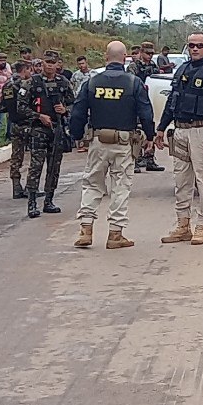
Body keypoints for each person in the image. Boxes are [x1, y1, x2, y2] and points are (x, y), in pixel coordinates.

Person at [69, 41, 156, 249]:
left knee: (92, 183)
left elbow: (78, 112)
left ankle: (86, 229)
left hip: (98, 141)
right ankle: (115, 234)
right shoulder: (134, 83)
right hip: (124, 144)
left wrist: (77, 135)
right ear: (125, 57)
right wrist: (150, 136)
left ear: (105, 57)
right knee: (120, 187)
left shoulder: (92, 82)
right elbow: (146, 112)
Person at [155, 33, 203, 245]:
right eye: (191, 45)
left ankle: (202, 227)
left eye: (199, 45)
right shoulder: (182, 69)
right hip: (180, 131)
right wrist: (161, 128)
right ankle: (183, 226)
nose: (195, 49)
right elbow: (172, 102)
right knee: (181, 180)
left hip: (202, 132)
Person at [17, 50, 74, 218]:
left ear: (58, 64)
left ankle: (49, 201)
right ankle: (32, 203)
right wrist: (38, 116)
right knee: (36, 166)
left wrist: (64, 110)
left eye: (53, 63)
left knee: (54, 167)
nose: (49, 66)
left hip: (57, 129)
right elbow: (20, 107)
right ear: (42, 63)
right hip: (38, 130)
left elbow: (74, 103)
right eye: (47, 62)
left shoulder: (63, 82)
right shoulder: (32, 82)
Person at [127, 41, 165, 172]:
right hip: (136, 103)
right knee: (137, 132)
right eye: (148, 53)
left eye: (152, 54)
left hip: (150, 100)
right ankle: (136, 160)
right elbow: (131, 83)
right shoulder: (134, 66)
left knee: (150, 128)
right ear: (141, 52)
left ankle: (150, 159)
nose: (150, 56)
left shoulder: (153, 66)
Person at [0, 61, 33, 198]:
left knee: (16, 156)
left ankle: (16, 186)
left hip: (14, 124)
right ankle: (31, 187)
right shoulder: (27, 84)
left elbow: (2, 107)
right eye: (30, 70)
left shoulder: (7, 85)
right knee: (36, 156)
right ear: (25, 70)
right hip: (29, 123)